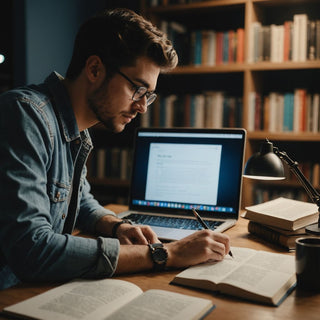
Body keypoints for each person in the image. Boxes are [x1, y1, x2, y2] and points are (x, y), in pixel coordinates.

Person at [0, 8, 230, 290]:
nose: (143, 106)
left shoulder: (77, 128)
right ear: (95, 69)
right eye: (138, 89)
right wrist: (166, 254)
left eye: (149, 95)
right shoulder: (25, 115)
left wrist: (117, 226)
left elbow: (80, 200)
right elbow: (32, 250)